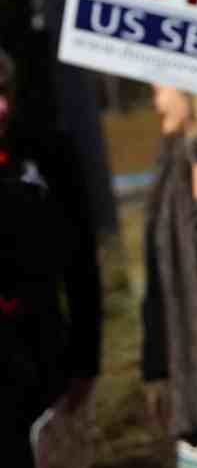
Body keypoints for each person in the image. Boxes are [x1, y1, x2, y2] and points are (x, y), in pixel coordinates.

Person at [0, 47, 102, 466]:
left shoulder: (48, 153)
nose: (2, 106)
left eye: (5, 90)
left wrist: (85, 360)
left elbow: (81, 266)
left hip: (42, 366)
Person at [142, 85, 197, 455]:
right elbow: (157, 275)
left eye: (159, 88)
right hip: (193, 396)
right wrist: (156, 369)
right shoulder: (171, 160)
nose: (155, 102)